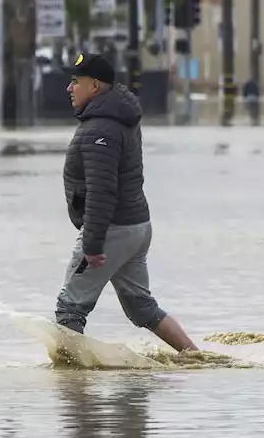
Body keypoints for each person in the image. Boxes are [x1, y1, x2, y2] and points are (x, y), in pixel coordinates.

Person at [54, 52, 197, 352]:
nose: (69, 88)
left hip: (111, 231)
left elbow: (102, 191)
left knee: (70, 309)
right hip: (137, 226)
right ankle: (194, 357)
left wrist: (92, 245)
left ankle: (73, 391)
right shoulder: (119, 117)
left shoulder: (99, 129)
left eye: (75, 82)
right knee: (142, 308)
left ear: (94, 86)